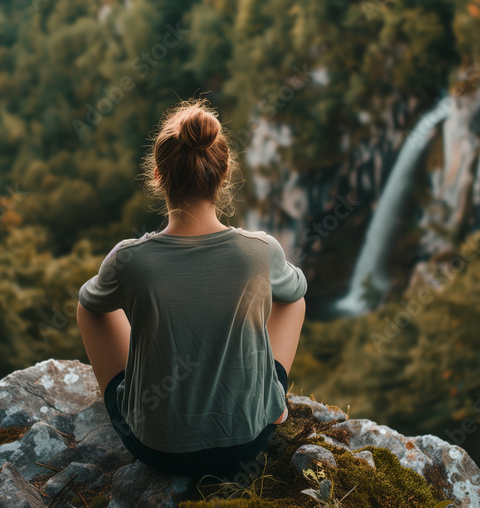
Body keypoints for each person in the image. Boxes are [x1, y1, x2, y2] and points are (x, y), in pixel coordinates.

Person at [75, 98, 307, 479]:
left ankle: (135, 406)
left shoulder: (129, 260)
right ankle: (273, 403)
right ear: (225, 172)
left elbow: (90, 305)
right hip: (247, 442)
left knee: (94, 306)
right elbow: (296, 293)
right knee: (292, 301)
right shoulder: (261, 251)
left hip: (157, 450)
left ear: (157, 176)